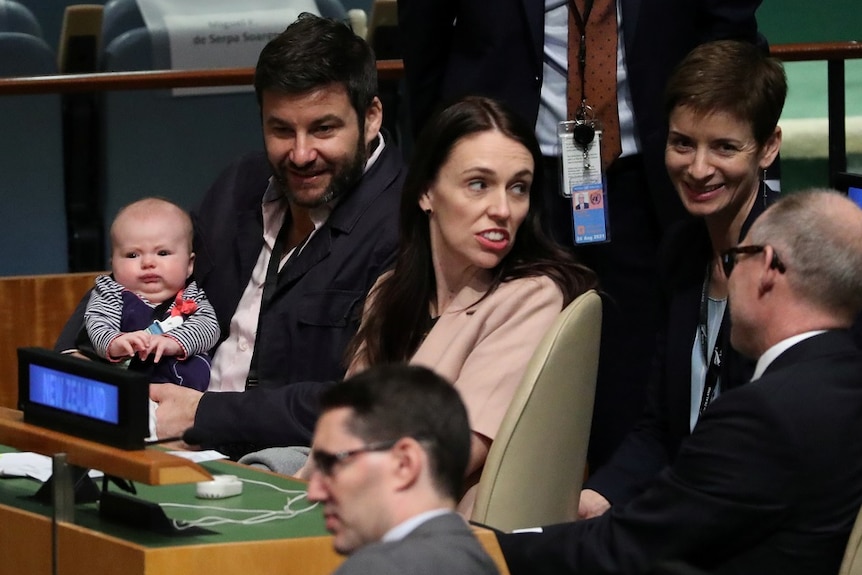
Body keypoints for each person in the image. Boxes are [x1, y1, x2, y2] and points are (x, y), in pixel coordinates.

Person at [398, 0, 764, 468]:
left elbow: (727, 26)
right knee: (499, 372)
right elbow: (423, 30)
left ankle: (611, 508)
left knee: (634, 389)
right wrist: (441, 154)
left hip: (645, 178)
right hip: (509, 171)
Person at [225, 95, 597, 512]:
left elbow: (446, 457)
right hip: (356, 513)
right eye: (479, 185)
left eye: (518, 188)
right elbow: (342, 431)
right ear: (426, 193)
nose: (502, 209)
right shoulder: (390, 291)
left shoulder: (531, 295)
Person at [55, 14, 405, 454]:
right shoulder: (242, 182)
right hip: (166, 430)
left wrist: (202, 414)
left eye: (323, 128)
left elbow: (372, 407)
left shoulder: (405, 226)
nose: (300, 154)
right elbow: (153, 273)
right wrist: (81, 356)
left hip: (283, 460)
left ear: (371, 117)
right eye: (281, 129)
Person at [497, 189, 862, 574]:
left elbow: (626, 547)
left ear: (767, 267)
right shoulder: (845, 384)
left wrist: (488, 548)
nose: (729, 274)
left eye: (734, 259)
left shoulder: (762, 415)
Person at [578, 40, 785, 518]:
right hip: (686, 509)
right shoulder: (680, 250)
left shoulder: (787, 270)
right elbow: (657, 428)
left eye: (724, 147)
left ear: (769, 147)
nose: (697, 168)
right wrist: (596, 497)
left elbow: (777, 456)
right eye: (682, 143)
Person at [307, 363, 500, 575]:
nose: (314, 492)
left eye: (332, 463)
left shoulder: (378, 569)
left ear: (404, 464)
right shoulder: (478, 560)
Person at [82, 197, 220, 391]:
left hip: (185, 392)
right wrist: (115, 342)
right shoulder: (110, 292)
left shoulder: (191, 295)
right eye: (132, 255)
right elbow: (97, 322)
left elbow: (209, 327)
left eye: (162, 253)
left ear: (189, 265)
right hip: (129, 386)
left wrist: (174, 342)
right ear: (112, 264)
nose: (148, 263)